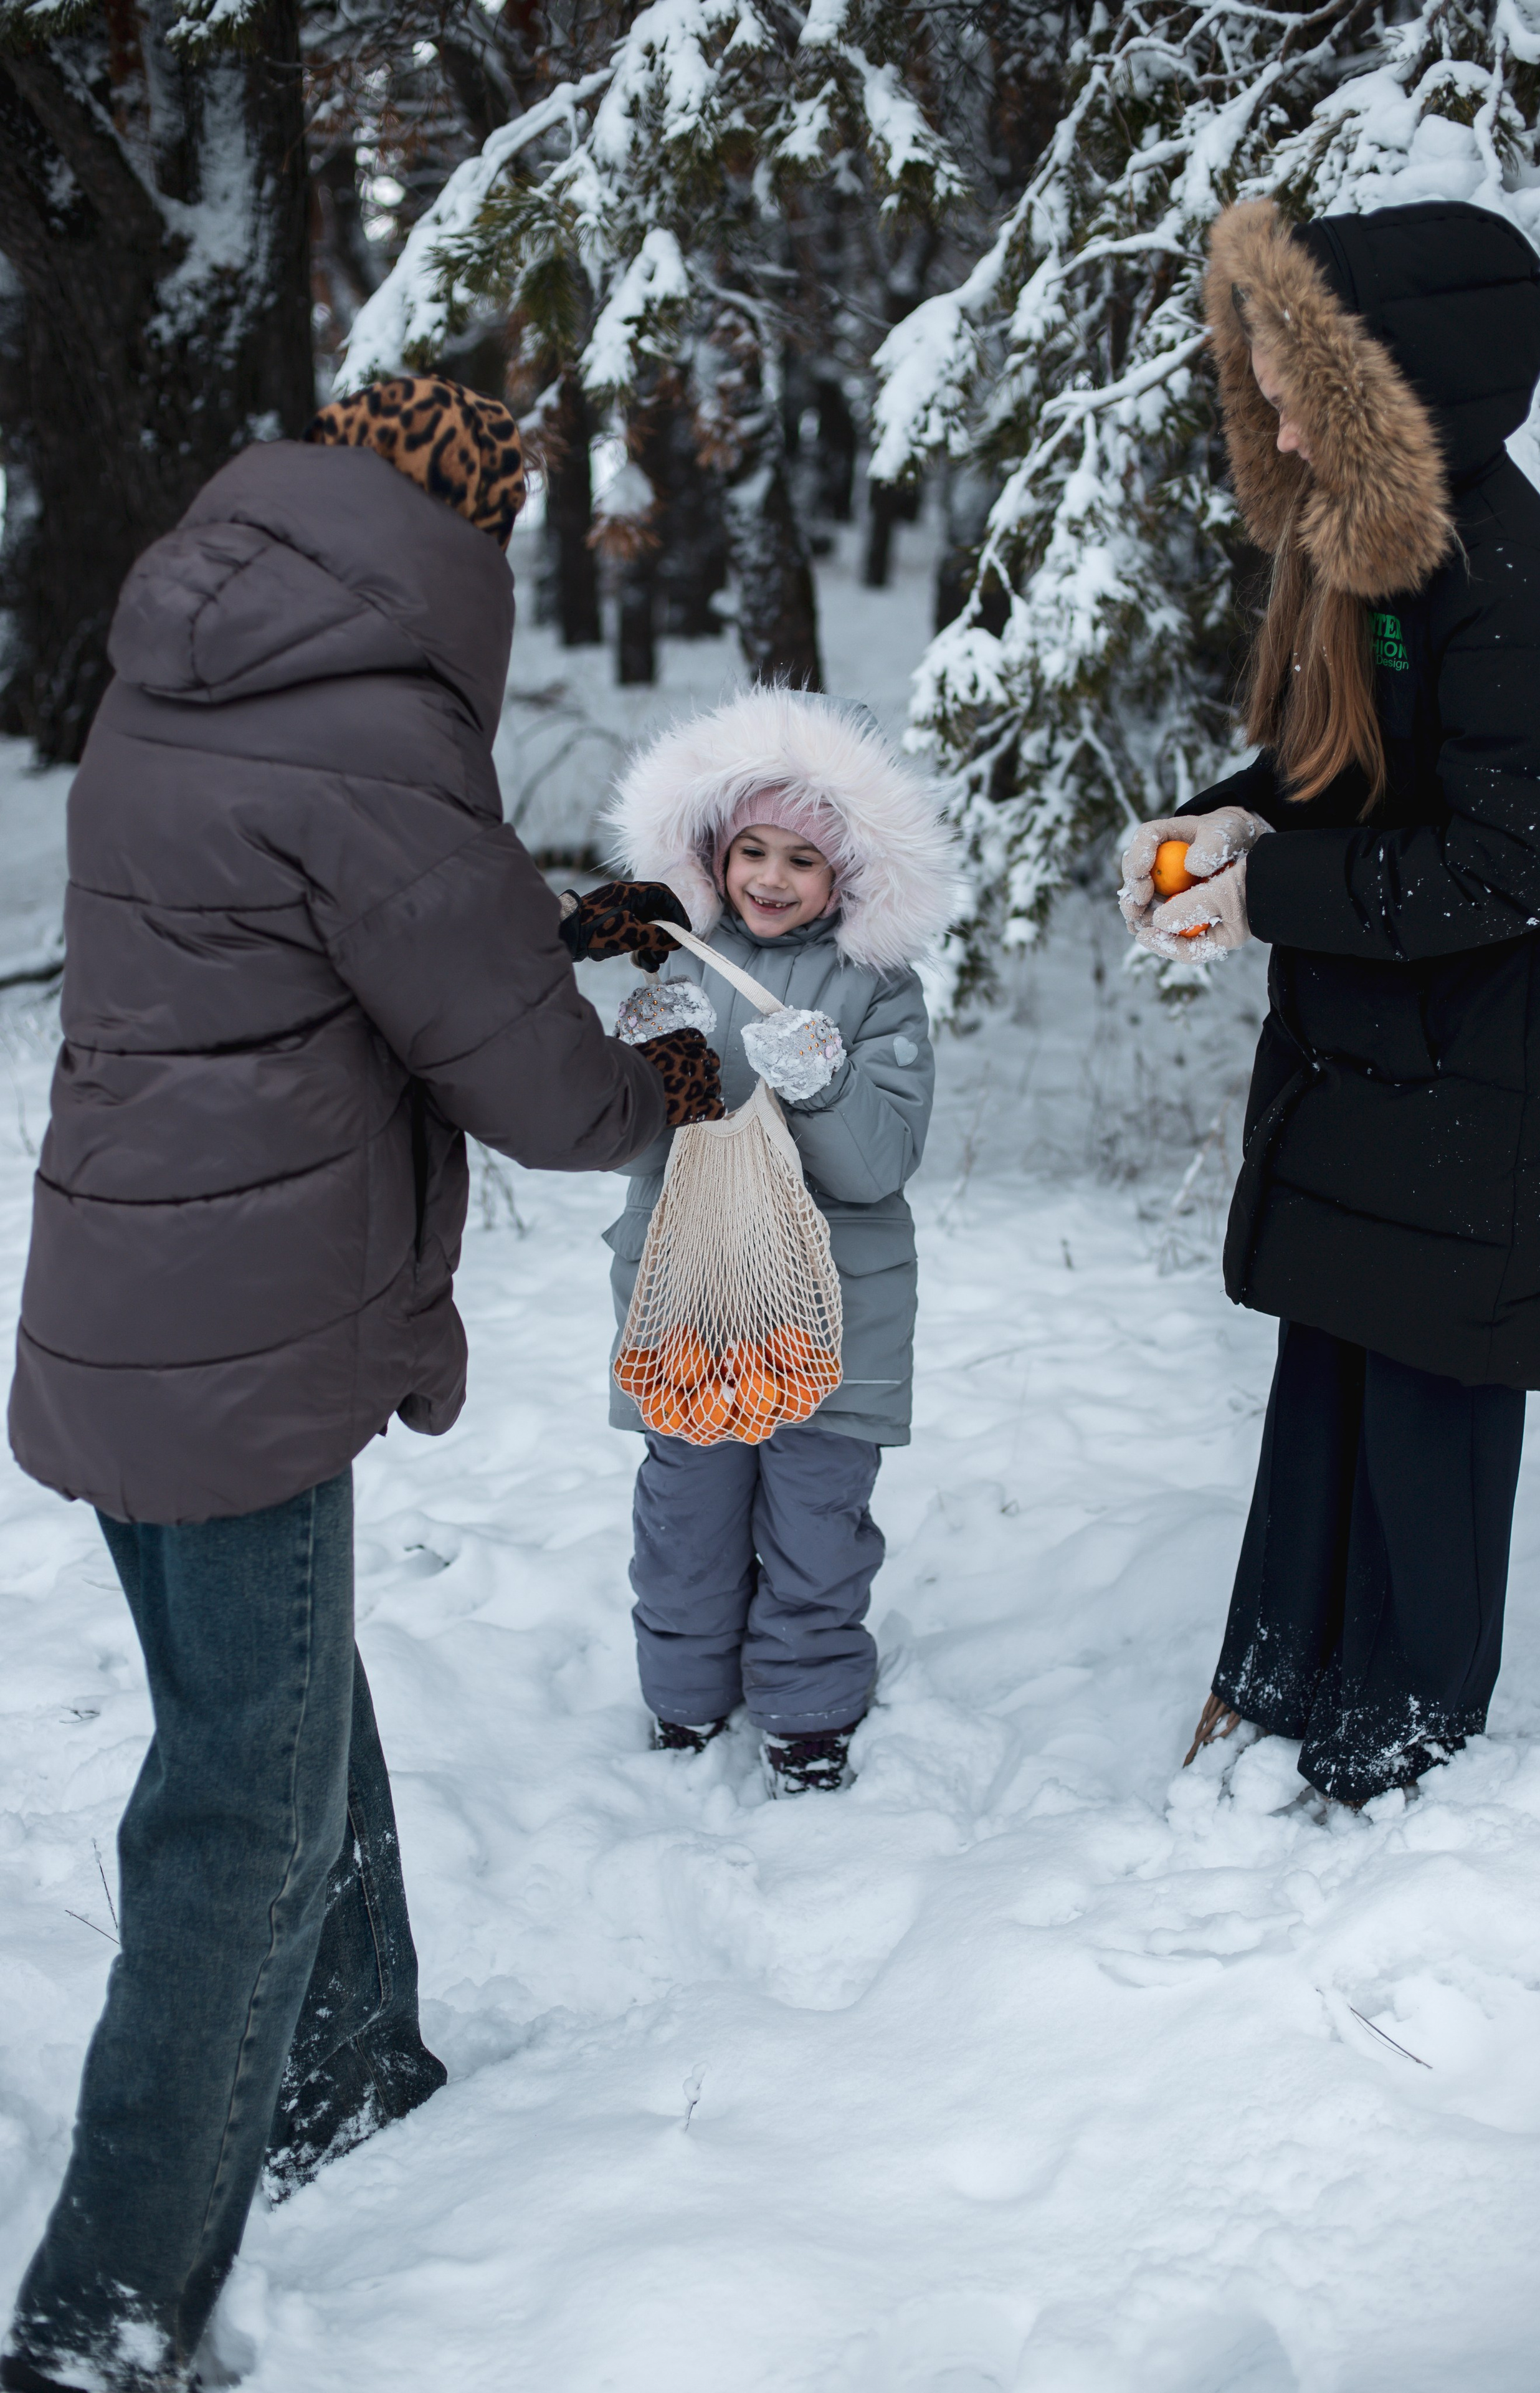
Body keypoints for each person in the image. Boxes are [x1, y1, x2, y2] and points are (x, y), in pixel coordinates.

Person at [2, 376, 720, 2393]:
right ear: (461, 528)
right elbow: (510, 1059)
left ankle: (349, 2063)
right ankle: (102, 2310)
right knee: (239, 1810)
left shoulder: (175, 666)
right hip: (239, 1334)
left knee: (282, 1705)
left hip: (127, 1301)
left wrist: (525, 916)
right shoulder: (381, 723)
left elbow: (325, 930)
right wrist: (655, 1079)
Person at [1119, 199, 1540, 1810]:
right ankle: (1281, 1686)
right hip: (1388, 1078)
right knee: (1330, 1393)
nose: (1286, 420)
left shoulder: (1518, 591)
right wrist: (1230, 827)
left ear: (1410, 393)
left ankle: (1395, 1749)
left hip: (1487, 1103)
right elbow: (1353, 773)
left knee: (1430, 1434)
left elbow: (1506, 868)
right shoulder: (1384, 556)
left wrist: (1273, 896)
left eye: (1308, 390)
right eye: (1268, 389)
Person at [591, 689, 956, 1794]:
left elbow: (876, 1167)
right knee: (687, 1518)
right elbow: (633, 1153)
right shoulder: (681, 964)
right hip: (692, 1299)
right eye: (752, 849)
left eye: (803, 858)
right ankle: (688, 1700)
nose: (771, 877)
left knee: (815, 1525)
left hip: (832, 1316)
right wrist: (651, 1073)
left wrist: (827, 1081)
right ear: (714, 852)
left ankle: (806, 1707)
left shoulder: (880, 994)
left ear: (848, 874)